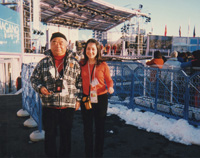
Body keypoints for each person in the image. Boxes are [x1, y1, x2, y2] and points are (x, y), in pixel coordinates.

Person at [30, 32, 82, 157]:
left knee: (66, 136)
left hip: (67, 107)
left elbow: (80, 82)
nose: (57, 45)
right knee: (50, 136)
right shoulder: (43, 63)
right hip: (49, 106)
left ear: (66, 45)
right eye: (54, 42)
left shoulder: (74, 63)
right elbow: (34, 79)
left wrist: (78, 99)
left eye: (61, 42)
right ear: (50, 45)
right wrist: (40, 88)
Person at [79, 39, 114, 157]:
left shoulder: (103, 64)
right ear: (85, 50)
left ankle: (98, 154)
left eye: (93, 49)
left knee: (100, 128)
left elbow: (109, 80)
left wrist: (110, 87)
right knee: (87, 128)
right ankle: (88, 154)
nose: (90, 51)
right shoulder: (81, 64)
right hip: (86, 98)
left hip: (100, 98)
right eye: (88, 48)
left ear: (97, 50)